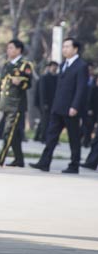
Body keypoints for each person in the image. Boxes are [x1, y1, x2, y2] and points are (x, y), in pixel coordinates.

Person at [30, 38, 89, 174]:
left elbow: (81, 88)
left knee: (73, 138)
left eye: (67, 47)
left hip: (71, 108)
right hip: (58, 107)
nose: (64, 49)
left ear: (75, 49)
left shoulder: (81, 66)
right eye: (63, 47)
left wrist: (75, 106)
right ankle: (44, 162)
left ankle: (74, 165)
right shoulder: (63, 65)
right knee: (51, 136)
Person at [0, 40, 34, 167]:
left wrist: (20, 83)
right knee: (14, 133)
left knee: (8, 131)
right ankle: (19, 159)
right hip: (6, 103)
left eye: (11, 48)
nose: (8, 50)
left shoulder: (25, 65)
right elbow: (0, 83)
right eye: (8, 48)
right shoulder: (6, 64)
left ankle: (1, 157)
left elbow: (28, 83)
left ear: (19, 50)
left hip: (16, 104)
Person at [34, 61, 59, 142]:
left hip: (53, 103)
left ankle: (37, 136)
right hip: (45, 103)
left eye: (55, 67)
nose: (54, 68)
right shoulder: (44, 78)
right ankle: (43, 137)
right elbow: (42, 92)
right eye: (53, 66)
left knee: (45, 120)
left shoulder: (57, 78)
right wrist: (44, 103)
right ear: (49, 67)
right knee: (45, 120)